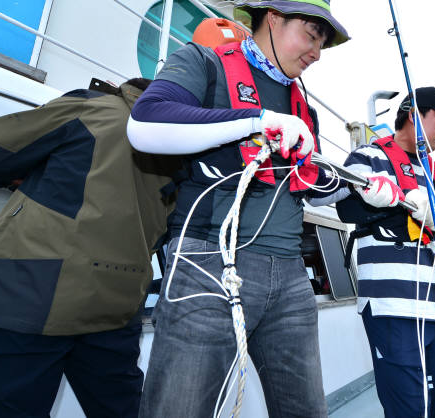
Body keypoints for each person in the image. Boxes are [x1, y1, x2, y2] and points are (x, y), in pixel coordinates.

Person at [126, 1, 350, 416]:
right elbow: (145, 125)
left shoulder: (305, 110)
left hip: (291, 278)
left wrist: (364, 188)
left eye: (323, 42)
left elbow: (313, 188)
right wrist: (255, 120)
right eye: (312, 34)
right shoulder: (203, 62)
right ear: (274, 17)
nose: (317, 52)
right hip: (207, 262)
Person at [0, 78, 179, 417]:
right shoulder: (184, 155)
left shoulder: (94, 109)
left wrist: (28, 172)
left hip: (30, 292)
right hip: (117, 303)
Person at [336, 87, 435, 417]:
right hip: (391, 302)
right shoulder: (368, 157)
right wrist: (384, 200)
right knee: (408, 404)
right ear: (413, 115)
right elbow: (344, 209)